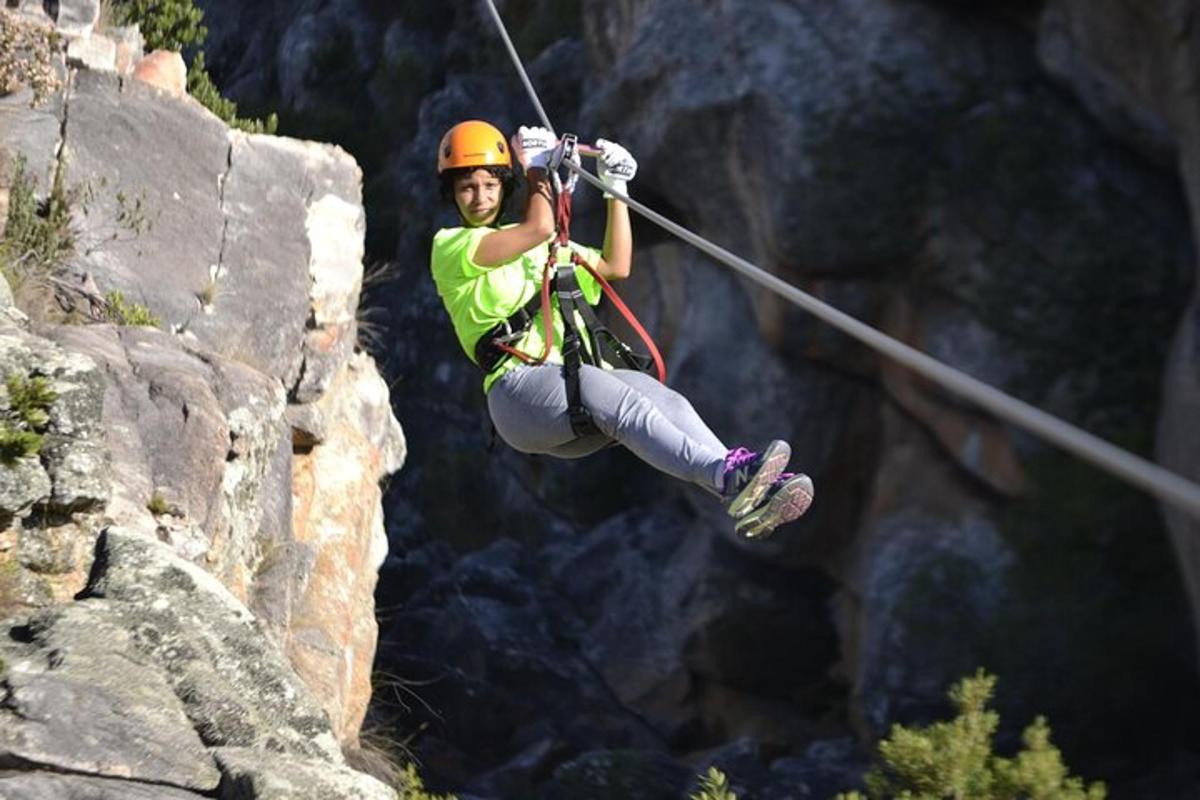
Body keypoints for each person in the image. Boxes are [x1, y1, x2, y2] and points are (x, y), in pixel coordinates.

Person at [429, 119, 813, 537]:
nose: (481, 197)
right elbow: (538, 226)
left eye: (489, 185)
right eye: (468, 187)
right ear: (451, 192)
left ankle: (745, 488)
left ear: (503, 186)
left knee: (662, 399)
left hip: (571, 398)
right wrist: (537, 169)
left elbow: (616, 265)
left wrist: (616, 191)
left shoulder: (540, 247)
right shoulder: (452, 247)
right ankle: (726, 475)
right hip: (519, 397)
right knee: (609, 389)